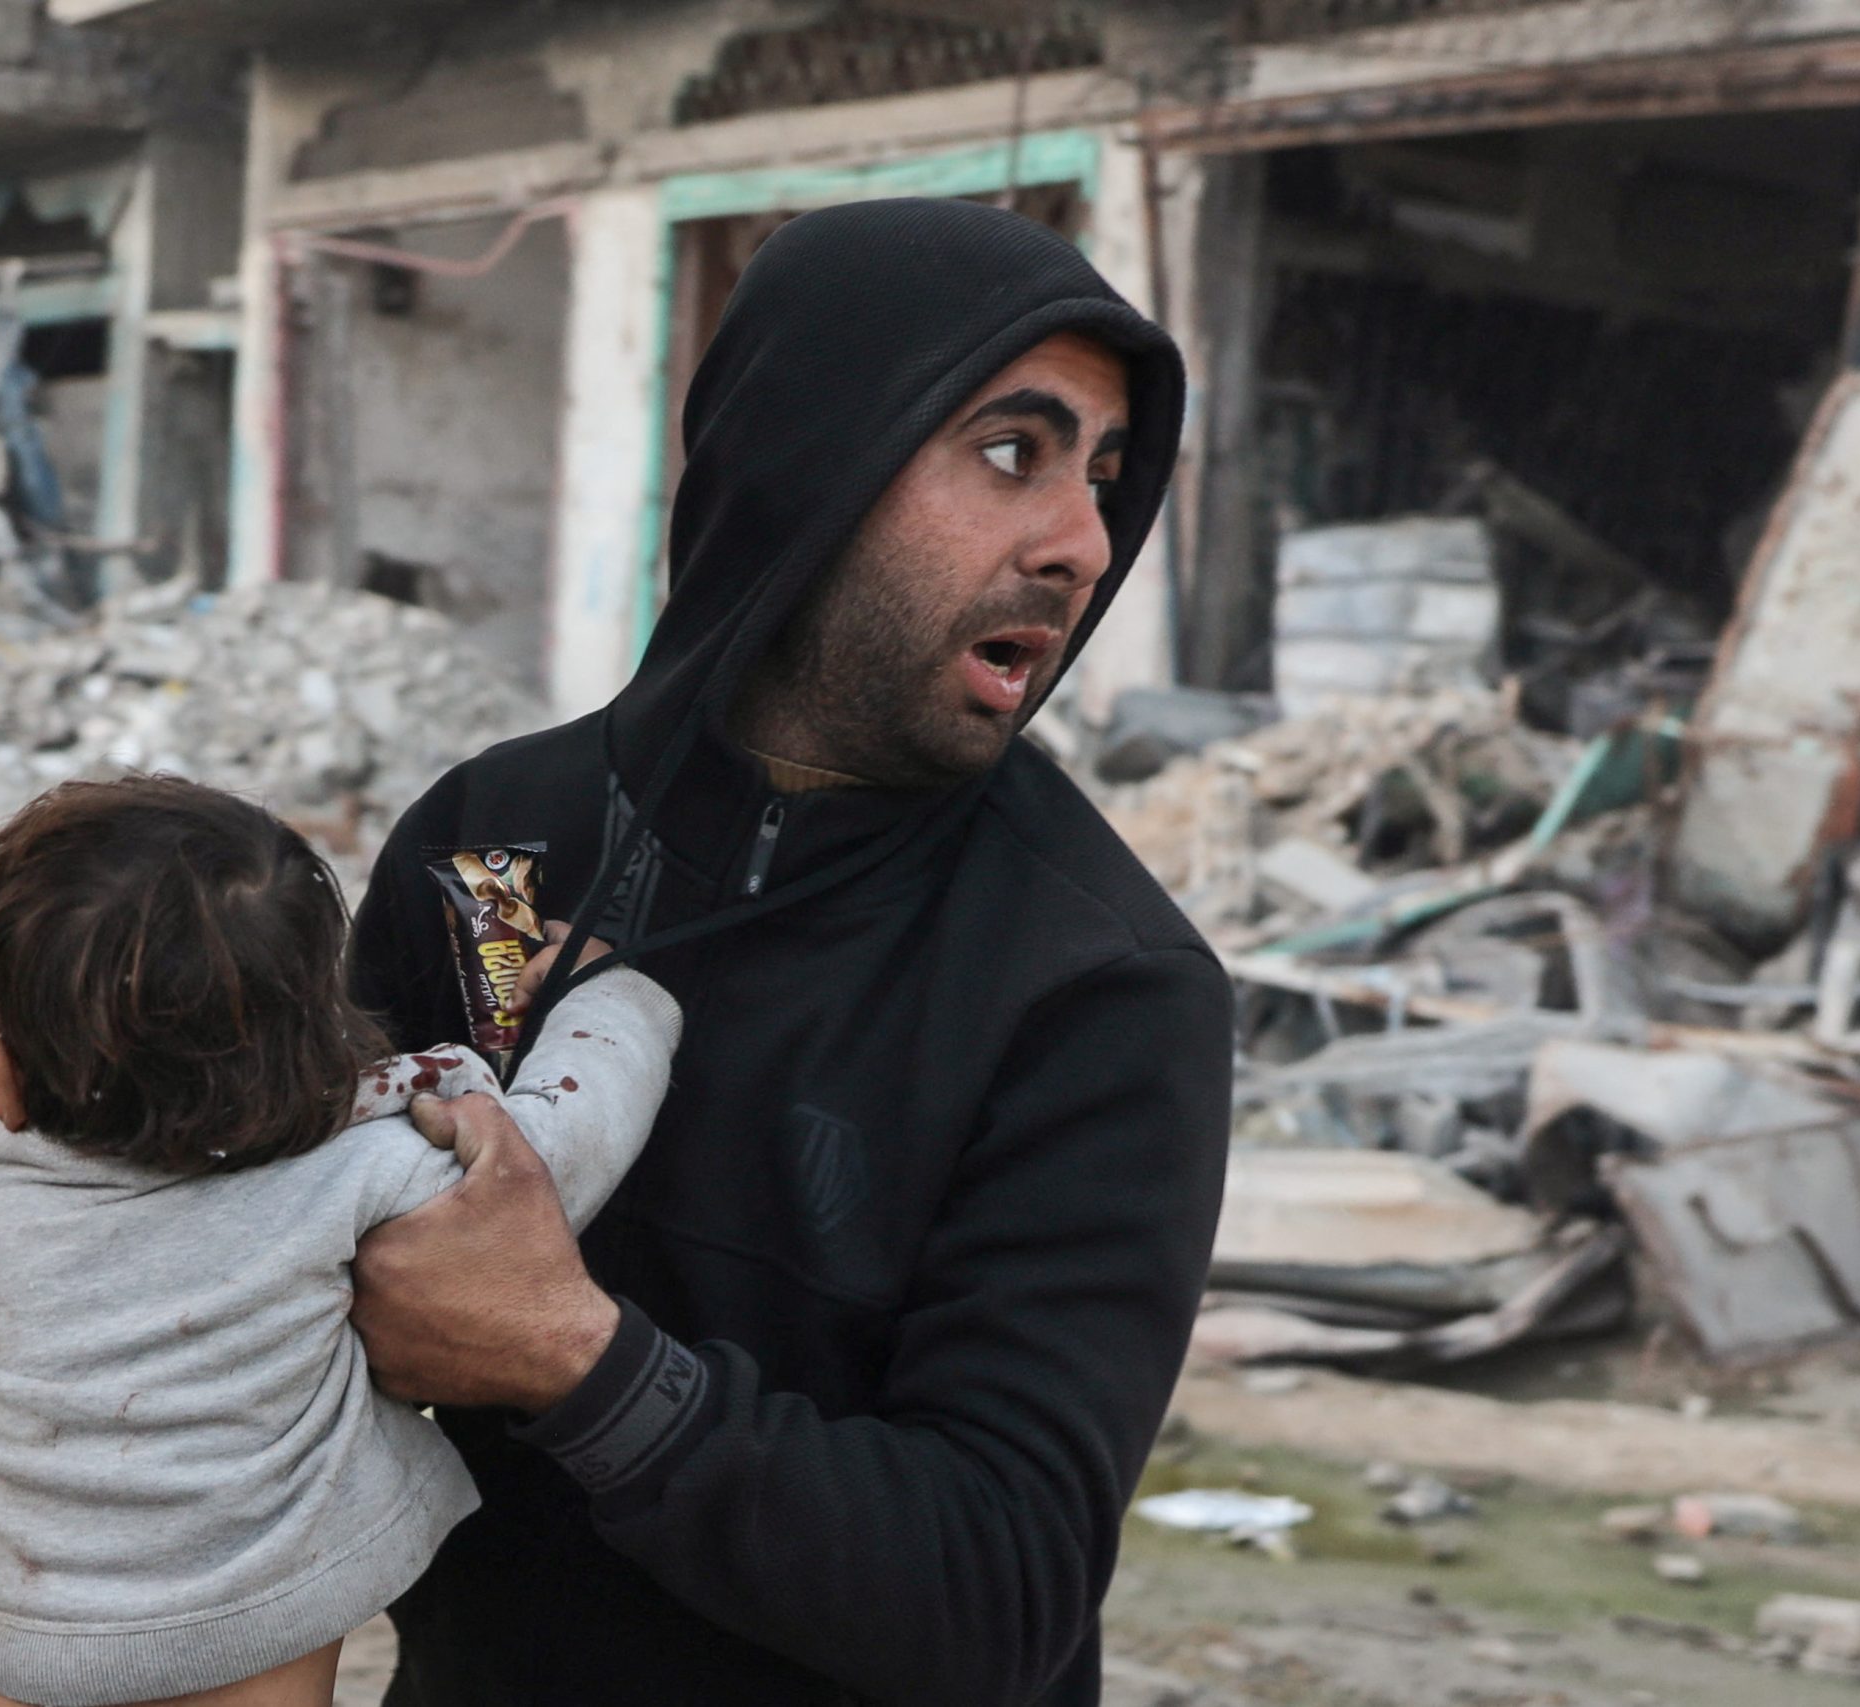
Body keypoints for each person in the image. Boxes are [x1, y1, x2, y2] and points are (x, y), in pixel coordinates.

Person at [339, 197, 1233, 1703]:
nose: (1082, 542)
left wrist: (576, 1357)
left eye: (1103, 475)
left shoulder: (1098, 985)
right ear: (812, 453)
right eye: (1010, 451)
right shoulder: (498, 848)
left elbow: (999, 1590)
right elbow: (312, 1244)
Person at [0, 775, 683, 1707]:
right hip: (250, 1668)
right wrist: (611, 999)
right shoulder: (365, 1172)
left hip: (30, 1654)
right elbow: (553, 1161)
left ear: (0, 1071)